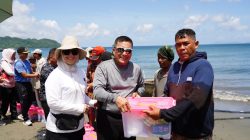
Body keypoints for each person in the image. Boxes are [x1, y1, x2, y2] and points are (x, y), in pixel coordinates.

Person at [144, 28, 214, 140]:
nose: (182, 48)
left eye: (186, 43)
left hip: (197, 134)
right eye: (178, 45)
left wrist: (162, 114)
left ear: (196, 44)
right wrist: (142, 103)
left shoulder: (203, 66)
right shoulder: (174, 68)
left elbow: (196, 99)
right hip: (174, 131)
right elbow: (166, 96)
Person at [93, 36, 145, 140]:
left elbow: (142, 86)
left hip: (130, 117)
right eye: (120, 50)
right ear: (114, 50)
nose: (125, 53)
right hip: (108, 117)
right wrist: (116, 98)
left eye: (128, 51)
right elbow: (97, 92)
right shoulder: (103, 67)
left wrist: (138, 93)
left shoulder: (136, 68)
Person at [45, 36, 91, 140]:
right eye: (66, 52)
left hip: (78, 126)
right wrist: (79, 108)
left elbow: (81, 94)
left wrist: (91, 102)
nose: (70, 55)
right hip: (58, 130)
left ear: (78, 54)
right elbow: (53, 103)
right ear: (61, 54)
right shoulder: (55, 75)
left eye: (74, 51)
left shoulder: (81, 72)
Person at [14, 47, 39, 126]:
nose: (26, 55)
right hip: (20, 84)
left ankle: (23, 113)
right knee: (24, 101)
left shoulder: (27, 62)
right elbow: (24, 75)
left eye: (27, 53)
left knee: (30, 100)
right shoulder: (18, 63)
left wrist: (35, 73)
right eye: (25, 53)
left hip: (28, 83)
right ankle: (25, 118)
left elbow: (30, 71)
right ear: (20, 54)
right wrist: (34, 75)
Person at [0, 48, 18, 124]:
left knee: (13, 101)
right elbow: (10, 72)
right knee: (5, 102)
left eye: (14, 54)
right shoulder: (4, 62)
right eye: (13, 55)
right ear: (8, 55)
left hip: (13, 85)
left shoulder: (12, 62)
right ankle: (2, 115)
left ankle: (14, 115)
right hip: (5, 86)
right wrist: (20, 73)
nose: (14, 56)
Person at [39, 48, 57, 120]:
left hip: (54, 97)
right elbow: (55, 83)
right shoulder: (46, 68)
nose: (60, 58)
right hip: (46, 98)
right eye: (57, 56)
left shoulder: (56, 66)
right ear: (51, 56)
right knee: (50, 118)